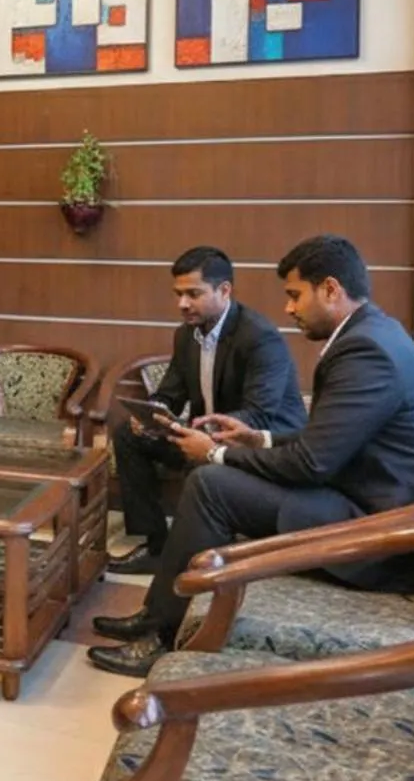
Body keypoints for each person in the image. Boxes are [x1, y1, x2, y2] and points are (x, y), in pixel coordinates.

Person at [88, 234, 414, 677]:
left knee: (210, 484)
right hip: (363, 498)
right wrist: (257, 440)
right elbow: (326, 443)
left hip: (383, 534)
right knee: (205, 478)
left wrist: (217, 453)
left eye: (295, 295)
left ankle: (163, 636)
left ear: (330, 289)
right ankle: (157, 617)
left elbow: (312, 462)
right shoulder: (374, 335)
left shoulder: (366, 352)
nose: (288, 308)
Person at [108, 245, 307, 575]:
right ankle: (157, 546)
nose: (182, 304)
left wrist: (204, 440)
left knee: (201, 465)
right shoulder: (186, 335)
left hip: (260, 444)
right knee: (128, 435)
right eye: (178, 294)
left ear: (224, 290)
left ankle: (196, 553)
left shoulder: (260, 337)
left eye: (193, 294)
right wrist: (153, 413)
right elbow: (170, 393)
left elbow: (258, 414)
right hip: (204, 434)